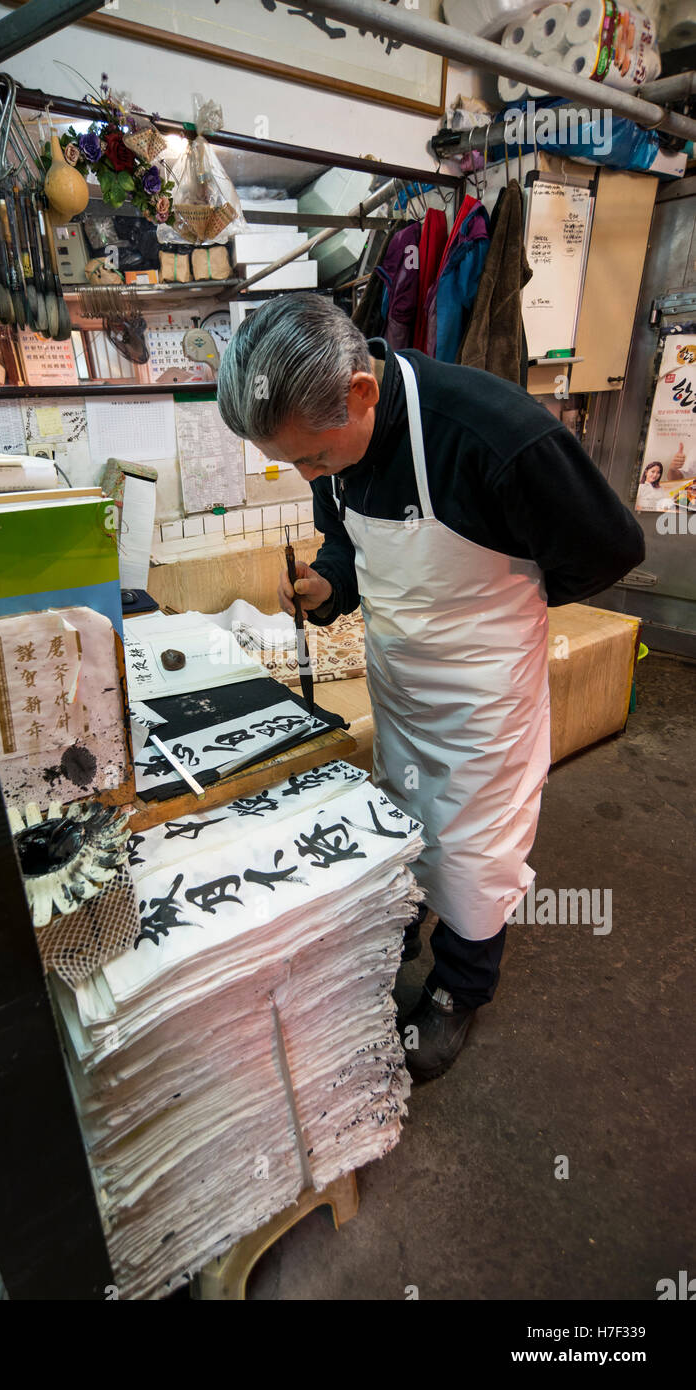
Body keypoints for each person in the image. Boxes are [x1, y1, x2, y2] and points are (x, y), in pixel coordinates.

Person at [217, 294, 645, 1080]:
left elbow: (611, 546)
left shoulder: (494, 434)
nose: (308, 474)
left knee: (477, 854)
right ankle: (394, 938)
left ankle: (458, 990)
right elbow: (343, 537)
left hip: (483, 695)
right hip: (399, 680)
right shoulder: (331, 442)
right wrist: (329, 585)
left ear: (361, 394)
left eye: (311, 459)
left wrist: (508, 605)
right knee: (404, 822)